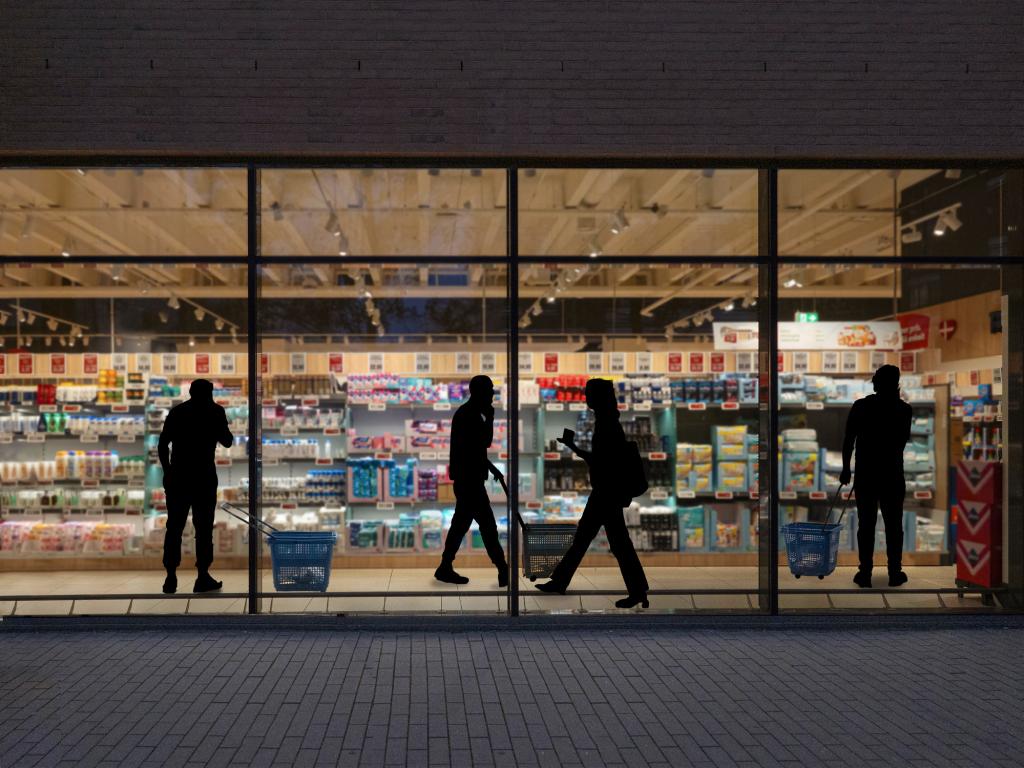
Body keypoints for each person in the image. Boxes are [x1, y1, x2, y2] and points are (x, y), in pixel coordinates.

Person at [536, 378, 650, 608]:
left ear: (599, 397)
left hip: (605, 493)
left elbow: (602, 462)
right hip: (606, 492)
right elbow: (601, 461)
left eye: (589, 393)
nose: (586, 397)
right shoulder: (607, 420)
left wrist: (574, 447)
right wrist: (574, 447)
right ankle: (560, 581)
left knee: (610, 543)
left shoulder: (607, 424)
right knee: (600, 540)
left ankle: (637, 591)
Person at [839, 364, 912, 588]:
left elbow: (848, 440)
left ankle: (865, 573)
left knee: (866, 524)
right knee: (894, 525)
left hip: (866, 474)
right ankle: (894, 573)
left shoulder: (861, 406)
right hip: (892, 474)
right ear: (897, 383)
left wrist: (846, 469)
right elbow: (901, 443)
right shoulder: (904, 410)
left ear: (875, 382)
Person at [158, 378, 234, 594]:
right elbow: (227, 441)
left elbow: (163, 444)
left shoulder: (177, 412)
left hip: (179, 476)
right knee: (203, 529)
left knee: (174, 527)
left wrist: (167, 471)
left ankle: (170, 576)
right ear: (210, 393)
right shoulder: (215, 411)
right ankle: (202, 576)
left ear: (190, 392)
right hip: (204, 477)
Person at [434, 375, 510, 587]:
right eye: (490, 390)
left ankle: (445, 567)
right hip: (470, 482)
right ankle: (502, 568)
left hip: (468, 479)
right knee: (487, 526)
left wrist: (491, 467)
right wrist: (492, 418)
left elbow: (474, 449)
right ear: (479, 392)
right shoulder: (471, 415)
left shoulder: (468, 413)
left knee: (460, 525)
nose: (492, 394)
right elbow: (483, 442)